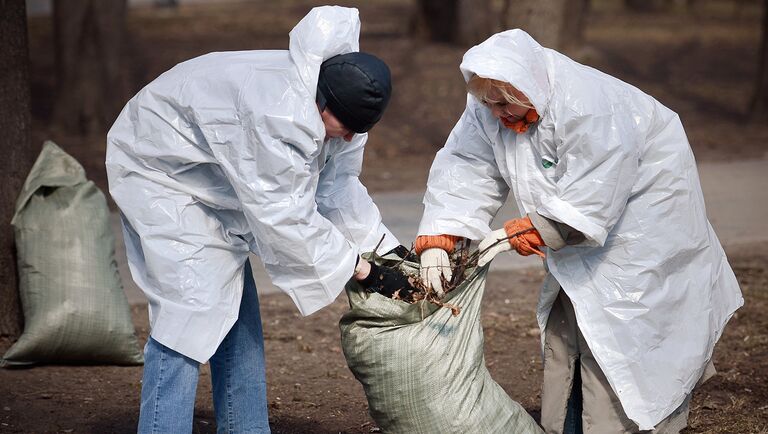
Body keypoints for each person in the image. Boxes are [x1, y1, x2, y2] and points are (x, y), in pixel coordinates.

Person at [414, 29, 743, 433]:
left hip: (642, 240)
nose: (495, 112)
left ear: (528, 85)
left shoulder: (590, 107)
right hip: (579, 242)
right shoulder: (492, 101)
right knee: (571, 326)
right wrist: (440, 235)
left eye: (503, 102)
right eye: (488, 103)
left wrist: (520, 233)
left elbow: (593, 196)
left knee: (629, 338)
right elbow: (466, 165)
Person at [106, 6, 415, 433]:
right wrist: (362, 270)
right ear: (322, 99)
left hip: (214, 178)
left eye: (357, 131)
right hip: (160, 174)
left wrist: (388, 250)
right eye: (343, 125)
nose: (348, 136)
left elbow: (338, 187)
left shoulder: (340, 117)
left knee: (233, 306)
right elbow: (285, 217)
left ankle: (247, 428)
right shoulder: (279, 115)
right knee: (189, 313)